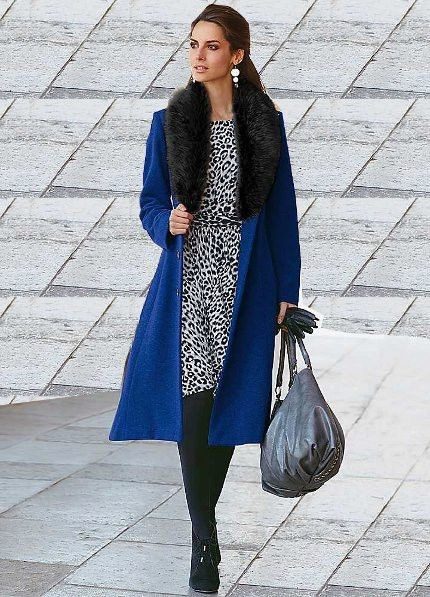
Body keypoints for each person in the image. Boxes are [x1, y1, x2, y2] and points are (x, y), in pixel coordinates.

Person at [109, 4, 301, 593]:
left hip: (247, 282)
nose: (198, 55)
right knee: (193, 408)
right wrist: (166, 222)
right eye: (193, 44)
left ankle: (204, 526)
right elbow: (149, 202)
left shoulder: (265, 124)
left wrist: (286, 293)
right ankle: (204, 535)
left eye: (211, 46)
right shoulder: (168, 122)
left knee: (226, 405)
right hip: (189, 281)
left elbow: (283, 217)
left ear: (236, 55)